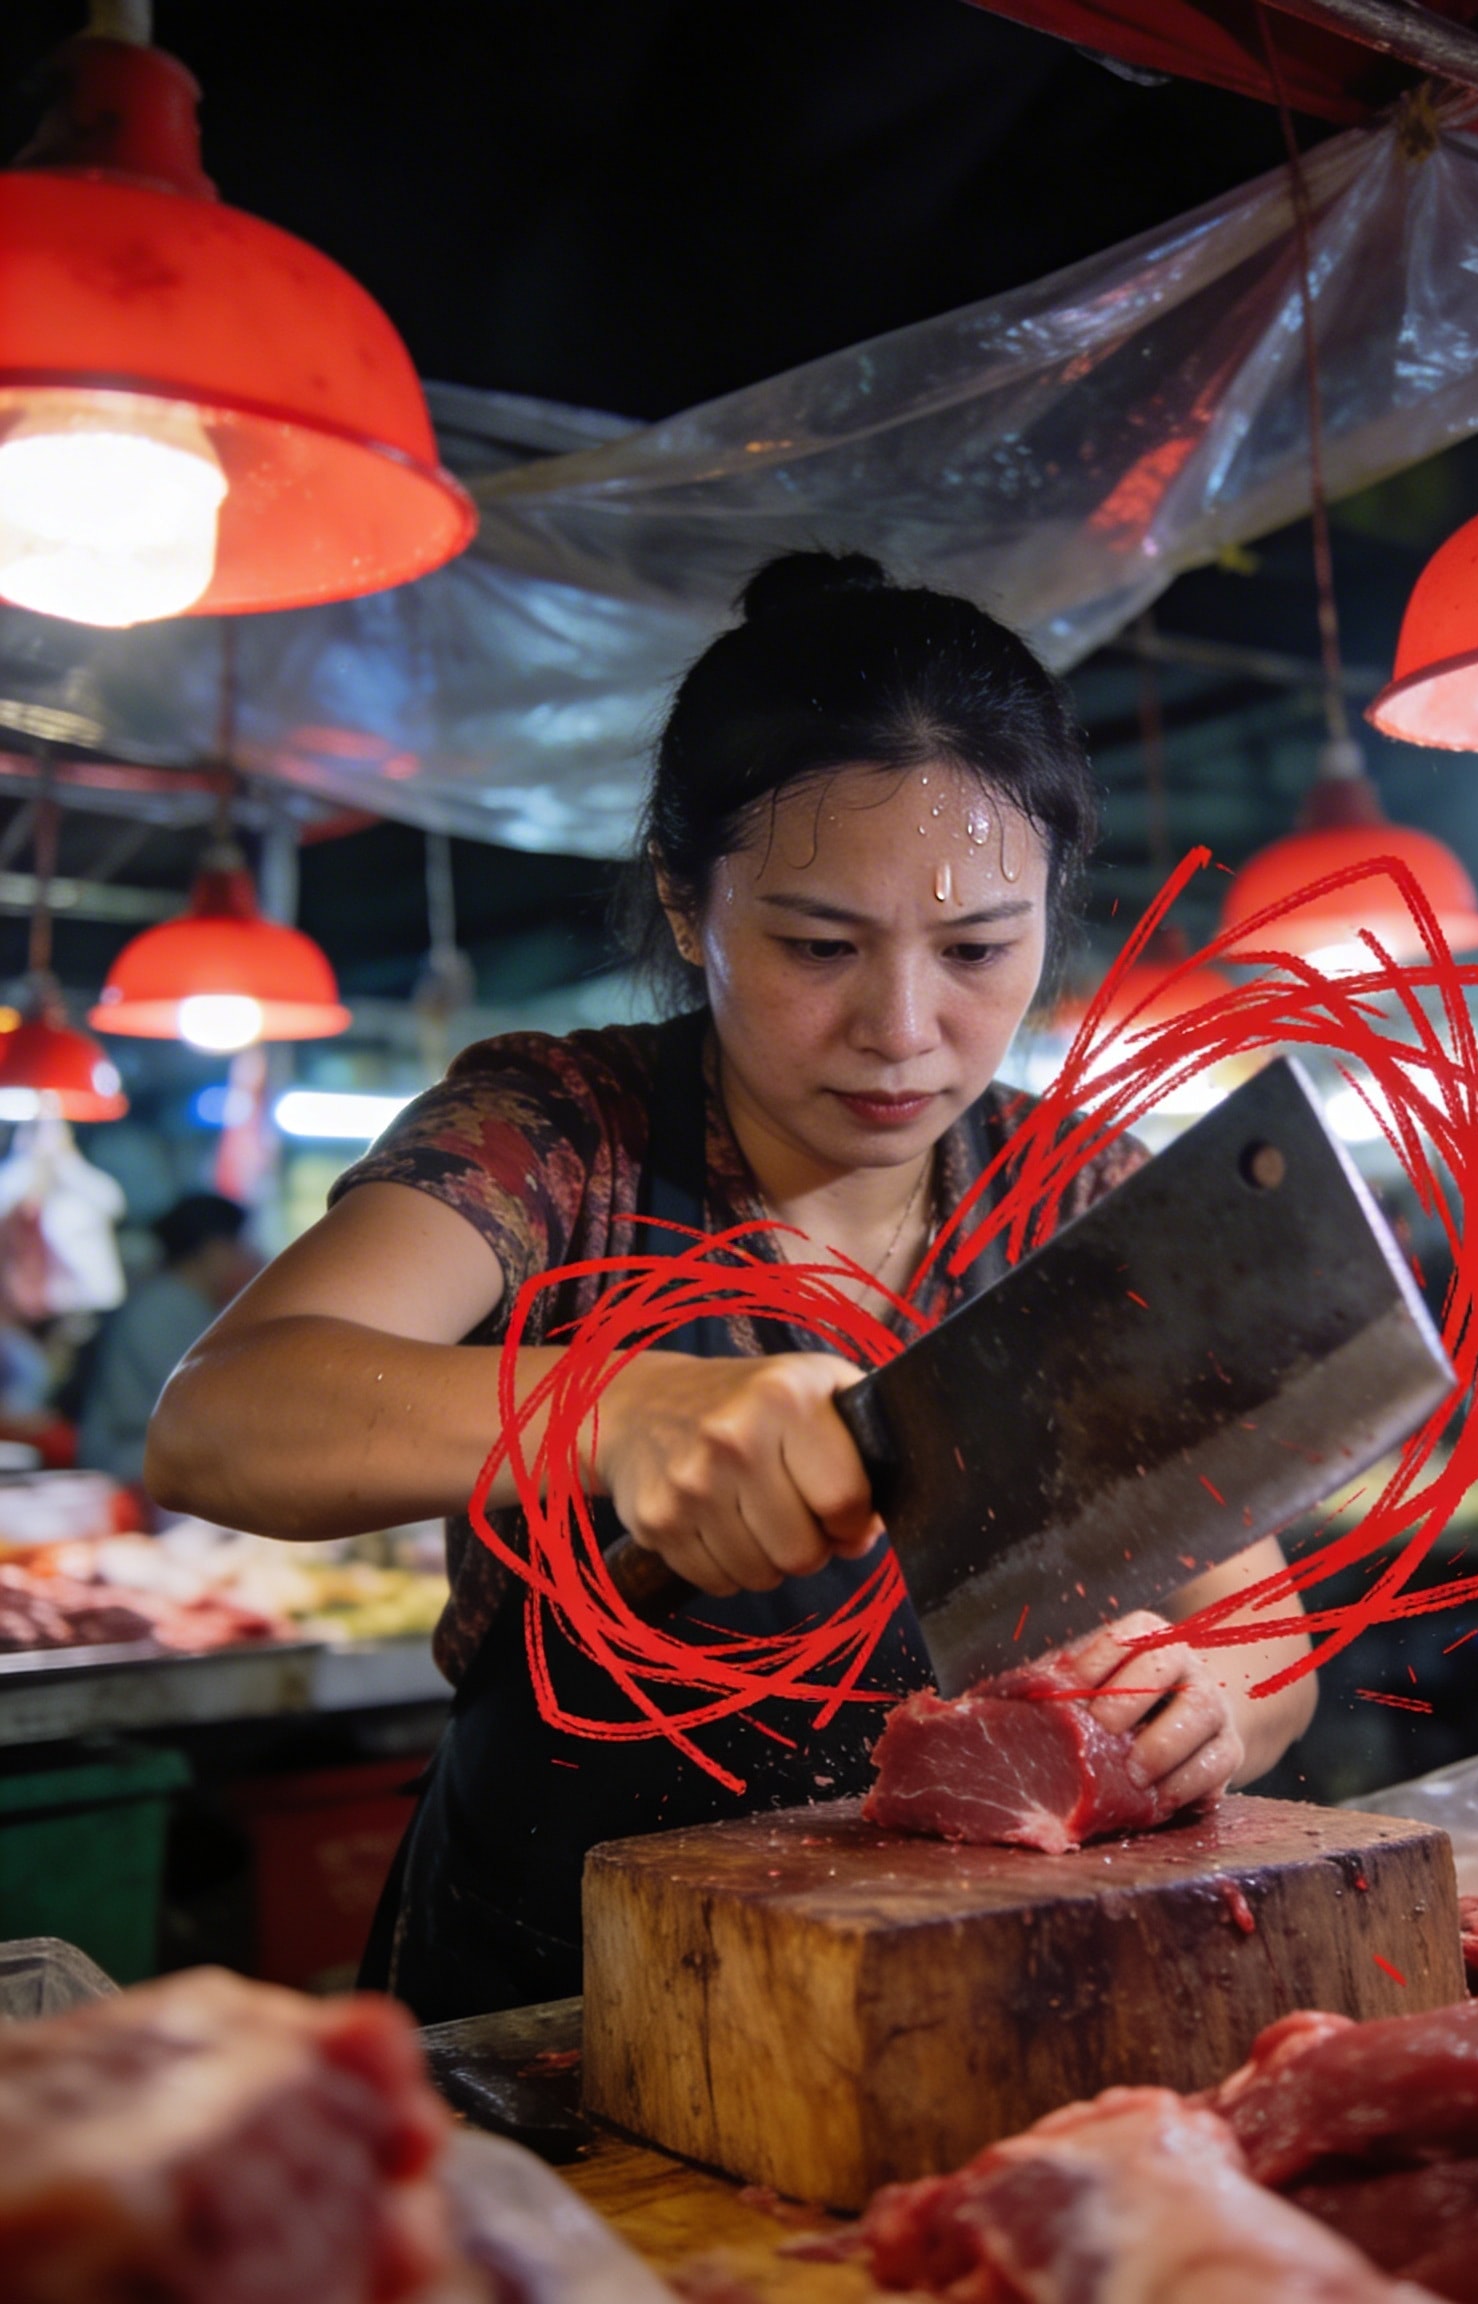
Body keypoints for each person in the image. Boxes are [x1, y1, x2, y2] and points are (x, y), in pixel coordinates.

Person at [146, 552, 1316, 2021]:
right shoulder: (559, 1136)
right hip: (562, 1996)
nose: (901, 1030)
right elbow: (217, 1421)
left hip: (983, 1978)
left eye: (976, 948)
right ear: (687, 903)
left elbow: (1261, 1641)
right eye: (817, 946)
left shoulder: (1091, 1198)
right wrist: (618, 1411)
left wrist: (1210, 1711)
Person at [78, 1193, 260, 1488]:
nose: (248, 1256)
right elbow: (195, 1403)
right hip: (128, 1465)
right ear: (214, 1249)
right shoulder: (163, 1305)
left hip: (153, 1457)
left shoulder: (185, 1302)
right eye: (239, 1246)